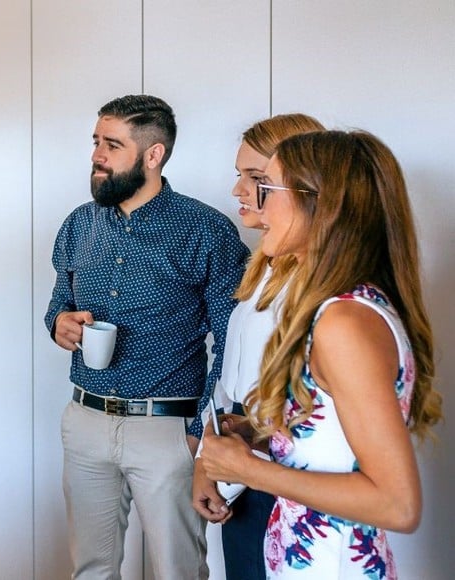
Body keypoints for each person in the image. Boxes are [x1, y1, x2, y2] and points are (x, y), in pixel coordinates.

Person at [199, 130, 443, 578]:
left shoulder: (344, 322)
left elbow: (398, 502)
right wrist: (259, 432)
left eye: (267, 188)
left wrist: (249, 470)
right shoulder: (342, 307)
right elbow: (335, 437)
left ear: (320, 204)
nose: (255, 201)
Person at [44, 94, 250, 579]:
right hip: (86, 422)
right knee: (90, 569)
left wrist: (203, 432)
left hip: (168, 431)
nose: (97, 155)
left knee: (176, 571)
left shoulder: (206, 231)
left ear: (152, 154)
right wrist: (60, 325)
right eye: (96, 141)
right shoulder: (79, 224)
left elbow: (232, 343)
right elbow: (59, 304)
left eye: (112, 145)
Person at [191, 113, 324, 580]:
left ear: (304, 186)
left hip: (292, 486)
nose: (239, 191)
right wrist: (213, 457)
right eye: (241, 175)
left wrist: (239, 448)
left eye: (256, 178)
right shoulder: (264, 265)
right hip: (246, 477)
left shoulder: (332, 296)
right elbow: (233, 376)